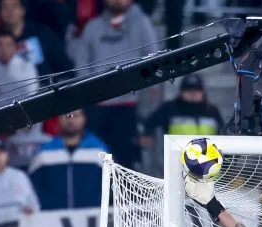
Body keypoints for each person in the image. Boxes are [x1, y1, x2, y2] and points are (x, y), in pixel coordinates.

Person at [73, 0, 158, 167]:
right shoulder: (92, 27)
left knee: (125, 166)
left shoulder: (142, 24)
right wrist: (90, 96)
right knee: (95, 163)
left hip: (130, 107)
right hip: (97, 107)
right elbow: (81, 66)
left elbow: (154, 61)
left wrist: (147, 113)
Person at [28, 108, 108, 210]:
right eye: (66, 116)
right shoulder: (44, 152)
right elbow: (33, 188)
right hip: (52, 216)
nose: (71, 120)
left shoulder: (99, 149)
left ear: (84, 118)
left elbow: (112, 185)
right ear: (59, 119)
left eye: (76, 116)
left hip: (92, 215)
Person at [140, 75, 223, 148]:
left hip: (208, 157)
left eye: (197, 90)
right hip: (176, 157)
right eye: (188, 90)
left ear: (203, 92)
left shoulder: (212, 111)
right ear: (181, 92)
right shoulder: (170, 109)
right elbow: (151, 121)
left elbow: (223, 132)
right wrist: (147, 134)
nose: (193, 93)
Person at [0, 0, 71, 80]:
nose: (10, 11)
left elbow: (65, 67)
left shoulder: (42, 33)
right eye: (5, 7)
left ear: (23, 9)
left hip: (46, 85)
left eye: (14, 6)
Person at [0, 31, 38, 108]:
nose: (4, 49)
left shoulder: (27, 65)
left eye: (8, 45)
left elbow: (32, 93)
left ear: (15, 47)